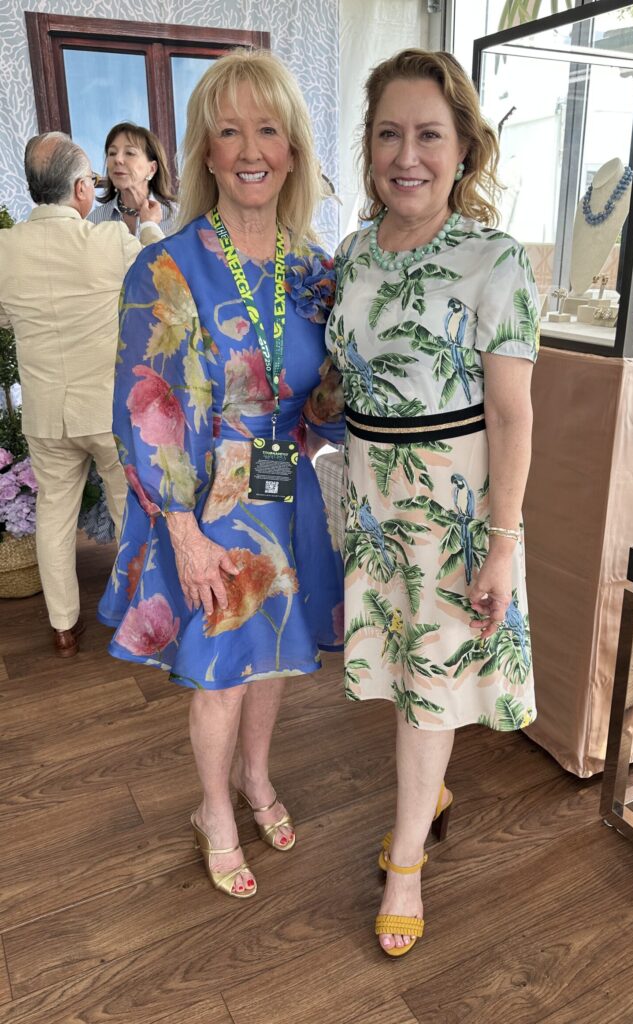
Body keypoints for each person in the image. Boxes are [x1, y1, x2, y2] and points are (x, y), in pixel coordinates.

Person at [98, 50, 343, 899]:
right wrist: (183, 530)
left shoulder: (315, 271)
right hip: (199, 503)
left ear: (292, 150)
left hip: (282, 485)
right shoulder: (164, 266)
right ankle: (213, 806)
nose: (249, 148)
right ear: (203, 152)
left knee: (270, 658)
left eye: (267, 129)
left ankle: (256, 778)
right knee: (216, 670)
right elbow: (141, 405)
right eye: (228, 130)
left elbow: (320, 400)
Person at [328, 49, 540, 956]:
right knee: (404, 679)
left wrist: (500, 542)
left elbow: (510, 412)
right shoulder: (351, 253)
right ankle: (432, 799)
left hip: (455, 515)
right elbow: (345, 380)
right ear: (369, 145)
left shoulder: (496, 259)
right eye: (388, 134)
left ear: (462, 149)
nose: (405, 155)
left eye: (427, 135)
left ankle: (406, 862)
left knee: (428, 691)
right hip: (373, 504)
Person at [0, 132, 163, 656]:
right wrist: (150, 216)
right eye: (93, 176)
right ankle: (135, 616)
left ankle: (64, 628)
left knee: (53, 516)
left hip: (46, 414)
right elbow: (163, 278)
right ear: (78, 189)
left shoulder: (3, 251)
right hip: (106, 411)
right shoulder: (110, 242)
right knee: (126, 512)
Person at [89, 122, 178, 236]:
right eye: (112, 153)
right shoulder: (95, 222)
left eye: (130, 153)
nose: (118, 159)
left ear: (152, 169)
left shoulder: (178, 217)